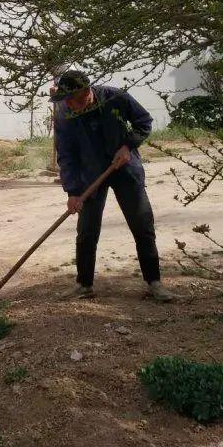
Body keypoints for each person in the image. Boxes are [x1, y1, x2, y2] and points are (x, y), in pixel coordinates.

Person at [53, 70, 175, 303]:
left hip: (124, 169)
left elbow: (143, 121)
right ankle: (84, 285)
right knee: (87, 231)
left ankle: (154, 283)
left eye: (71, 100)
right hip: (90, 176)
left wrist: (128, 146)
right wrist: (72, 191)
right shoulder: (65, 115)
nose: (68, 104)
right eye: (65, 100)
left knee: (142, 225)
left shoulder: (115, 98)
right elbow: (66, 155)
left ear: (87, 93)